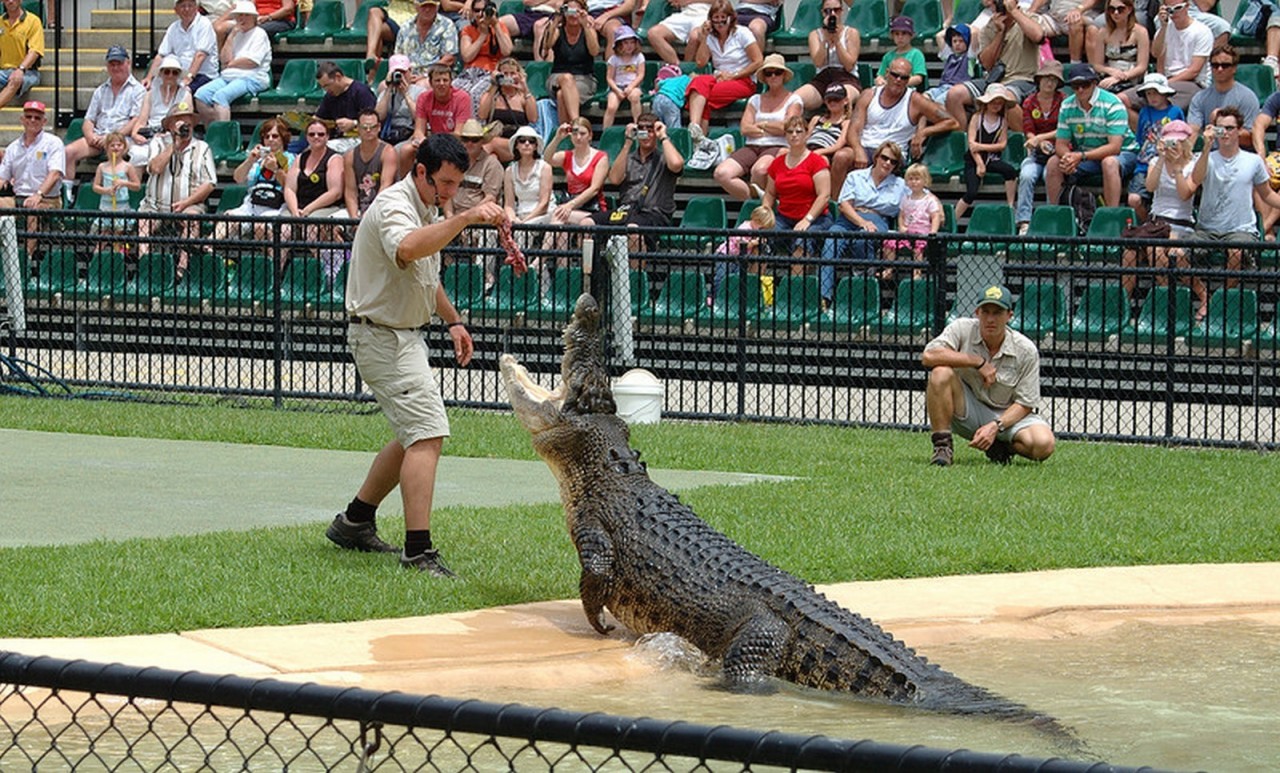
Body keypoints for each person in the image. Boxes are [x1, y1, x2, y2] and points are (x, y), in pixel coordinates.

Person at [327, 132, 506, 577]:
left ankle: (355, 520)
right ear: (420, 171)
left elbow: (424, 273)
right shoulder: (393, 206)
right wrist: (463, 220)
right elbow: (408, 249)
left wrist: (454, 320)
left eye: (456, 185)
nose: (448, 193)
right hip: (381, 336)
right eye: (443, 183)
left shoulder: (424, 208)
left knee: (414, 432)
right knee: (427, 432)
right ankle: (418, 551)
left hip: (400, 335)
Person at [923, 283, 1056, 466]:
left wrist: (996, 426)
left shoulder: (1025, 350)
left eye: (997, 312)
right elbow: (929, 355)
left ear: (1009, 316)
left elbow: (1025, 403)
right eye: (985, 311)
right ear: (977, 312)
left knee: (1043, 444)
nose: (990, 319)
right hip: (968, 409)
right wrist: (977, 362)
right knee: (940, 373)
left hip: (1007, 416)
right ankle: (942, 447)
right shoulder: (962, 328)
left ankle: (1001, 447)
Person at [1186, 107, 1280, 316]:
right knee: (1176, 255)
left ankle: (1222, 299)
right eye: (1220, 129)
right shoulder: (1206, 158)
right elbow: (1195, 180)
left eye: (1229, 128)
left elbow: (1267, 195)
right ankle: (1205, 297)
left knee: (1237, 252)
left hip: (1240, 229)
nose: (1225, 133)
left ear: (1239, 131)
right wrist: (1206, 146)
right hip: (1206, 229)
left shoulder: (1253, 160)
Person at [136, 101, 217, 280]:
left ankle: (181, 268)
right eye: (178, 122)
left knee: (191, 219)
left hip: (189, 205)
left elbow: (210, 183)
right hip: (155, 205)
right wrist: (174, 144)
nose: (183, 126)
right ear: (170, 126)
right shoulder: (158, 143)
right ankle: (146, 264)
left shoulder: (202, 148)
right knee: (143, 223)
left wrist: (186, 203)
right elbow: (154, 168)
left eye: (186, 123)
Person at [589, 112, 683, 266]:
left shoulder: (664, 157)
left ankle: (635, 282)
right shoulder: (629, 157)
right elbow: (614, 179)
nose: (645, 133)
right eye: (641, 129)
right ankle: (589, 279)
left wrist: (663, 136)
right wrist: (627, 142)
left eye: (650, 129)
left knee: (632, 230)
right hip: (626, 211)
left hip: (654, 214)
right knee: (587, 224)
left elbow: (677, 164)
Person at [820, 140, 907, 303]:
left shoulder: (900, 184)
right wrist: (861, 221)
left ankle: (864, 289)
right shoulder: (855, 176)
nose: (888, 163)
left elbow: (923, 194)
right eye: (885, 158)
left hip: (878, 219)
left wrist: (936, 205)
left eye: (893, 161)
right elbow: (844, 205)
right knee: (831, 242)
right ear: (876, 157)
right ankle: (824, 296)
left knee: (864, 238)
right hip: (849, 218)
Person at [1044, 63, 1138, 209]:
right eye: (1075, 86)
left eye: (1085, 84)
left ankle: (1110, 215)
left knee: (1109, 163)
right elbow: (1061, 144)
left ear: (1094, 83)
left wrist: (1080, 156)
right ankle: (1056, 213)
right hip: (1086, 155)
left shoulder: (1113, 103)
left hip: (1124, 153)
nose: (1080, 89)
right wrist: (1068, 158)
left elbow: (1115, 147)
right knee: (1054, 163)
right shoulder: (1067, 105)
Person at [1121, 119, 1196, 301]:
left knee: (1156, 251)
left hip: (1180, 223)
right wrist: (1162, 158)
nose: (1173, 145)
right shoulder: (1156, 161)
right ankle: (1124, 302)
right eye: (1170, 141)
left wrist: (1177, 167)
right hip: (1156, 222)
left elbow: (1185, 194)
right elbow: (1150, 186)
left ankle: (1169, 297)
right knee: (1129, 253)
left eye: (1177, 141)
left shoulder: (1193, 163)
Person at [711, 53, 800, 201]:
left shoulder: (794, 99)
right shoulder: (755, 99)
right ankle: (755, 203)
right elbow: (744, 128)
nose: (773, 76)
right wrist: (773, 127)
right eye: (768, 73)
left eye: (777, 72)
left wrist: (761, 125)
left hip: (778, 146)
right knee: (721, 173)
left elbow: (788, 127)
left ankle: (763, 209)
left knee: (760, 170)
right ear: (764, 77)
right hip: (751, 146)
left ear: (783, 75)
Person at [944, 0, 1044, 131]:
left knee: (1004, 98)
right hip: (994, 80)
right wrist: (1000, 33)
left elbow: (1038, 36)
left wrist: (1014, 12)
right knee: (954, 94)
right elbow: (987, 64)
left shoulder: (1029, 18)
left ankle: (1027, 142)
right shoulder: (988, 28)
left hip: (1023, 80)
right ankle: (964, 140)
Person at [63, 46, 147, 195]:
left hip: (123, 139)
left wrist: (110, 138)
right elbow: (88, 119)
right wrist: (90, 136)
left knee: (133, 154)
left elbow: (135, 120)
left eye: (119, 63)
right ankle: (67, 193)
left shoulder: (138, 90)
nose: (115, 67)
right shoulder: (100, 90)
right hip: (98, 137)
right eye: (112, 64)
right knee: (68, 151)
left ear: (128, 63)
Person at [849, 56, 959, 168]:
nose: (898, 80)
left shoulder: (915, 100)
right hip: (866, 147)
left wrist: (923, 132)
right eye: (895, 75)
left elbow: (952, 122)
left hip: (894, 152)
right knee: (842, 156)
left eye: (904, 78)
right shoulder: (869, 95)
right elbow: (853, 129)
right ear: (887, 73)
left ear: (908, 79)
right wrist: (858, 150)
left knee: (883, 160)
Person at [684, 0, 762, 141]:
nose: (720, 23)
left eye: (723, 19)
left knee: (701, 98)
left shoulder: (742, 33)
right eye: (716, 19)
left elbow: (758, 61)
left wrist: (734, 76)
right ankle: (695, 128)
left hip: (742, 79)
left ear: (730, 18)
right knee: (699, 82)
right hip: (719, 78)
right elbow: (701, 63)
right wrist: (704, 38)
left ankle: (698, 137)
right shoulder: (711, 37)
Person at [0, 100, 63, 269]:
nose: (32, 120)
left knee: (32, 209)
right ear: (22, 119)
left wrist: (39, 194)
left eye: (37, 117)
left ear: (44, 121)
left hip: (48, 199)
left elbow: (55, 173)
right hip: (19, 197)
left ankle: (24, 262)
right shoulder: (13, 147)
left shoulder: (54, 143)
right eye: (29, 117)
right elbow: (2, 177)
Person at [762, 115, 832, 263]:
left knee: (802, 242)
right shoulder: (777, 163)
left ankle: (795, 284)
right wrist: (766, 212)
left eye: (799, 131)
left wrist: (807, 219)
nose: (794, 135)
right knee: (760, 239)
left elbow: (824, 195)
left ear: (807, 134)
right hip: (784, 217)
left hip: (816, 219)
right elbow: (770, 193)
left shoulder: (817, 161)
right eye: (790, 131)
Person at [1121, 0, 1210, 112]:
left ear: (1187, 6)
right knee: (1120, 100)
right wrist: (1163, 27)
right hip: (1162, 82)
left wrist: (1163, 84)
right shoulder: (1164, 30)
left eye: (1177, 8)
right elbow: (1156, 54)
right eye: (1169, 9)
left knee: (1160, 105)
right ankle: (1145, 128)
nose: (1173, 12)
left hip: (1191, 84)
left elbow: (1194, 71)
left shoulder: (1202, 31)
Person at [216, 116, 294, 241]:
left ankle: (269, 259)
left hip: (276, 206)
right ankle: (208, 245)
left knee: (260, 226)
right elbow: (238, 178)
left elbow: (289, 186)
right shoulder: (257, 160)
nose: (270, 140)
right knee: (228, 218)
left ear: (283, 139)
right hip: (252, 204)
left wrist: (276, 170)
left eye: (275, 136)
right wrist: (250, 160)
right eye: (266, 136)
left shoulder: (290, 159)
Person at [194, 1, 272, 125]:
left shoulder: (259, 34)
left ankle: (223, 136)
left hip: (252, 77)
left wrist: (231, 64)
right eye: (240, 15)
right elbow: (224, 58)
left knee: (220, 97)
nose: (243, 18)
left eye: (247, 15)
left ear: (254, 18)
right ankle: (212, 132)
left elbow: (252, 62)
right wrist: (231, 37)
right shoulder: (235, 34)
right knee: (200, 96)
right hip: (229, 76)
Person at [284, 118, 346, 270]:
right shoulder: (300, 158)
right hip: (299, 207)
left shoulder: (334, 158)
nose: (316, 137)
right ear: (307, 137)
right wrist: (294, 212)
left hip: (326, 207)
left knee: (310, 229)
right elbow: (289, 188)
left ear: (327, 137)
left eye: (320, 134)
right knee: (281, 230)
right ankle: (275, 277)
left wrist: (308, 210)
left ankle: (328, 272)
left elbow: (335, 192)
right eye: (312, 134)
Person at [1015, 60, 1065, 233]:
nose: (1049, 83)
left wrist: (1042, 138)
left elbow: (1065, 129)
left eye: (1053, 79)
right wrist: (1036, 142)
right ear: (1039, 80)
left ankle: (1052, 219)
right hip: (1036, 153)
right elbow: (1028, 130)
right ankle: (1024, 221)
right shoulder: (1029, 102)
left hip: (1058, 151)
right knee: (1026, 175)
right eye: (1046, 78)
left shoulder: (1064, 101)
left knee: (1049, 175)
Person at [956, 83, 1018, 221]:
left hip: (992, 158)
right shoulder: (977, 118)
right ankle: (954, 219)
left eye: (999, 103)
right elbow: (972, 145)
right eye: (993, 102)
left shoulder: (1002, 121)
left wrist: (982, 147)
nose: (996, 105)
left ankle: (1010, 205)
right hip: (973, 159)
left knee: (1010, 171)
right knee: (971, 192)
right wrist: (979, 163)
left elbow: (1002, 144)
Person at [1128, 72, 1184, 220]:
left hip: (1168, 163)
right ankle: (1147, 222)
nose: (1152, 97)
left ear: (1165, 93)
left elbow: (1183, 136)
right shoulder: (1144, 112)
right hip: (1144, 164)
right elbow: (1140, 137)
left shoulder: (1175, 111)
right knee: (1133, 199)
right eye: (1149, 93)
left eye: (1156, 93)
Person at [399, 64, 472, 176]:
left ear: (451, 81)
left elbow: (459, 134)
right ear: (431, 82)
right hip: (431, 140)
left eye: (445, 80)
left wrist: (435, 144)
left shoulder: (462, 98)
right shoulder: (424, 98)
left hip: (454, 142)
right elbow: (418, 131)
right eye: (437, 80)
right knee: (406, 150)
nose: (441, 84)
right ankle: (406, 185)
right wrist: (425, 142)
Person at [793, 0, 860, 111]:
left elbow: (849, 65)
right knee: (795, 100)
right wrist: (825, 40)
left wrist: (837, 41)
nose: (832, 14)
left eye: (836, 10)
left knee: (844, 99)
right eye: (828, 11)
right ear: (823, 13)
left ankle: (843, 126)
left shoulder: (851, 33)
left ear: (842, 11)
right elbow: (819, 62)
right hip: (823, 77)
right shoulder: (815, 35)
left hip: (846, 77)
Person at [540, 0, 599, 125]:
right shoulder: (558, 31)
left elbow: (594, 52)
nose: (573, 15)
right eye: (569, 11)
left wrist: (585, 26)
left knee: (562, 95)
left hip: (584, 78)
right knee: (566, 78)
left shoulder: (589, 31)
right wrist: (555, 21)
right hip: (558, 76)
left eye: (576, 11)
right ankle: (577, 122)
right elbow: (547, 45)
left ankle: (567, 132)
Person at [142, 0, 218, 95]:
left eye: (190, 6)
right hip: (178, 74)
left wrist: (188, 77)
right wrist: (149, 78)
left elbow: (200, 55)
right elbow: (161, 55)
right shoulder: (173, 28)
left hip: (202, 75)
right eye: (183, 6)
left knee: (183, 92)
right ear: (176, 10)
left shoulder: (204, 24)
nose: (186, 9)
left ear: (196, 8)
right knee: (152, 89)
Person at [544, 117, 608, 228]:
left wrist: (570, 205)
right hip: (572, 207)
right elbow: (547, 159)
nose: (578, 137)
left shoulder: (601, 157)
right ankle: (554, 246)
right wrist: (557, 138)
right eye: (574, 133)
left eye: (582, 134)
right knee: (560, 220)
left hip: (593, 208)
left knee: (559, 215)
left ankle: (546, 246)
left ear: (590, 136)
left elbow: (594, 189)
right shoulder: (567, 156)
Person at [1185, 44, 1259, 139]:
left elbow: (1250, 137)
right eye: (1215, 65)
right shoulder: (1199, 98)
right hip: (1209, 151)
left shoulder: (1247, 97)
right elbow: (1193, 130)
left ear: (1234, 68)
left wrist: (1218, 130)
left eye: (1225, 65)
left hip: (1237, 152)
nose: (1219, 69)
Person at [131, 55, 193, 165]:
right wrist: (136, 134)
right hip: (151, 134)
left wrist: (171, 134)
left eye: (174, 73)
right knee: (137, 153)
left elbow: (187, 124)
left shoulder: (185, 95)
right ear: (161, 74)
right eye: (167, 72)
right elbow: (141, 121)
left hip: (175, 137)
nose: (170, 75)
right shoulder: (150, 94)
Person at [456, 0, 513, 112]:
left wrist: (495, 25)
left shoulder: (500, 26)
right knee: (454, 91)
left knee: (475, 94)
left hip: (491, 72)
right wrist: (483, 35)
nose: (480, 14)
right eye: (477, 10)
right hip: (469, 72)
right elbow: (467, 56)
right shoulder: (468, 30)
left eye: (484, 10)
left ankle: (476, 126)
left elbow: (507, 51)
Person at [477, 57, 538, 161]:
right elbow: (482, 115)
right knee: (492, 158)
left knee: (493, 143)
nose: (508, 77)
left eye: (512, 73)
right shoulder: (493, 97)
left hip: (518, 143)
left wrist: (524, 87)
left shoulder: (523, 98)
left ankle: (471, 168)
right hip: (495, 142)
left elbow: (533, 118)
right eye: (505, 73)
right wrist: (494, 84)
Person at [502, 124, 553, 250]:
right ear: (516, 145)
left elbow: (544, 203)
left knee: (522, 231)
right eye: (522, 140)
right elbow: (509, 204)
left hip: (544, 215)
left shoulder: (545, 167)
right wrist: (513, 219)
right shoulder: (509, 171)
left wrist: (524, 222)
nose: (526, 144)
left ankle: (521, 266)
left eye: (531, 141)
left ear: (536, 146)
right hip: (520, 215)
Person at [311, 60, 378, 154]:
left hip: (358, 138)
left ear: (338, 77)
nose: (326, 90)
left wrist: (354, 123)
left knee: (323, 149)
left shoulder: (361, 92)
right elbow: (320, 117)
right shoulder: (330, 96)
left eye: (327, 85)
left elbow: (373, 121)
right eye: (323, 87)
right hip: (336, 138)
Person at [889, 163, 943, 280]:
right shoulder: (905, 199)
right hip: (907, 232)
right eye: (911, 179)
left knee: (918, 248)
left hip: (922, 233)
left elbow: (935, 216)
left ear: (925, 181)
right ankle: (889, 269)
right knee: (889, 243)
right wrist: (901, 226)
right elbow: (901, 215)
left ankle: (917, 272)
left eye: (917, 179)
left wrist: (933, 232)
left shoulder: (930, 200)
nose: (914, 182)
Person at [90, 132, 141, 255]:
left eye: (119, 145)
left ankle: (118, 260)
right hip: (106, 206)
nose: (116, 148)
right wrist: (106, 190)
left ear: (124, 147)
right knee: (104, 236)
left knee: (119, 236)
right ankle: (96, 260)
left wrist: (124, 183)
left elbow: (137, 186)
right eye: (112, 145)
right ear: (107, 147)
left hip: (121, 207)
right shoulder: (102, 167)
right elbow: (95, 187)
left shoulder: (128, 167)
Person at [344, 109, 399, 219]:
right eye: (364, 127)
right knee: (329, 228)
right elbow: (350, 191)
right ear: (358, 128)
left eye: (372, 127)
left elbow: (385, 186)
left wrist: (368, 216)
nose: (368, 130)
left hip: (384, 207)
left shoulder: (388, 152)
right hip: (360, 208)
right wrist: (354, 217)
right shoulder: (350, 156)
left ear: (379, 127)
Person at [1086, 0, 1149, 94]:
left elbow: (1142, 66)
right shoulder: (1103, 33)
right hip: (1110, 74)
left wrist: (1121, 76)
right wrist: (1111, 71)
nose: (1116, 13)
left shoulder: (1140, 32)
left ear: (1129, 9)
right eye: (1111, 9)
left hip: (1132, 76)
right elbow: (1097, 65)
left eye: (1120, 9)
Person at [807, 84, 855, 195]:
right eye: (829, 100)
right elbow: (806, 137)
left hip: (826, 151)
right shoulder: (816, 119)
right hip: (809, 149)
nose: (832, 102)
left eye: (836, 99)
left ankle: (823, 195)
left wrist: (819, 152)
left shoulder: (846, 122)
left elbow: (839, 145)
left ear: (845, 101)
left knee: (820, 161)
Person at [395, 0, 459, 80]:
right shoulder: (406, 27)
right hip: (407, 75)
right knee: (383, 86)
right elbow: (397, 57)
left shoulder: (447, 25)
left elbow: (449, 59)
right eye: (423, 6)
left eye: (431, 6)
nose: (427, 9)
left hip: (435, 76)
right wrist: (405, 75)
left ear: (437, 7)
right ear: (416, 7)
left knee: (421, 87)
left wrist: (425, 75)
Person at [0, 0, 43, 110]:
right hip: (3, 71)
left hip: (28, 72)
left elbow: (35, 51)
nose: (10, 1)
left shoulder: (33, 21)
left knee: (15, 80)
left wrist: (21, 69)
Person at [375, 54, 424, 149]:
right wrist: (389, 88)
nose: (400, 76)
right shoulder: (386, 92)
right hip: (388, 133)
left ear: (410, 72)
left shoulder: (420, 92)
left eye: (403, 72)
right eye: (397, 73)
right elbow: (379, 117)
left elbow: (419, 117)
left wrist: (406, 94)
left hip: (409, 134)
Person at [601, 24, 643, 130]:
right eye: (626, 43)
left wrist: (631, 87)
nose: (629, 46)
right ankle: (606, 131)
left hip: (633, 86)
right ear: (619, 44)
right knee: (611, 106)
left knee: (635, 97)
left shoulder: (639, 57)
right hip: (617, 87)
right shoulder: (614, 59)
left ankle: (638, 125)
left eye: (632, 42)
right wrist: (616, 90)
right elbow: (609, 78)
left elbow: (641, 75)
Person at [923, 24, 977, 106]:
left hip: (957, 90)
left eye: (961, 41)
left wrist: (966, 26)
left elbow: (975, 33)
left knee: (939, 101)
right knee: (923, 98)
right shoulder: (949, 56)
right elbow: (939, 36)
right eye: (954, 41)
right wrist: (954, 27)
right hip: (942, 88)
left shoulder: (970, 57)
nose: (957, 44)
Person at [644, 0, 710, 66]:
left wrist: (689, 1)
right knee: (653, 33)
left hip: (706, 15)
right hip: (685, 14)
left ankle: (686, 69)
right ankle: (677, 67)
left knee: (695, 36)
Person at [876, 17, 926, 90]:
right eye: (897, 34)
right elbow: (880, 75)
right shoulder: (887, 56)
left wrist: (899, 83)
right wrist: (880, 80)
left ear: (911, 35)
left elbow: (918, 78)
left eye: (904, 33)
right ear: (892, 36)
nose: (900, 37)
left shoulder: (916, 54)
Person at [214, 0, 295, 40]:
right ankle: (220, 63)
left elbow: (288, 9)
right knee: (221, 28)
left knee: (251, 29)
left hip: (280, 20)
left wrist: (268, 17)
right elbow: (249, 5)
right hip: (257, 19)